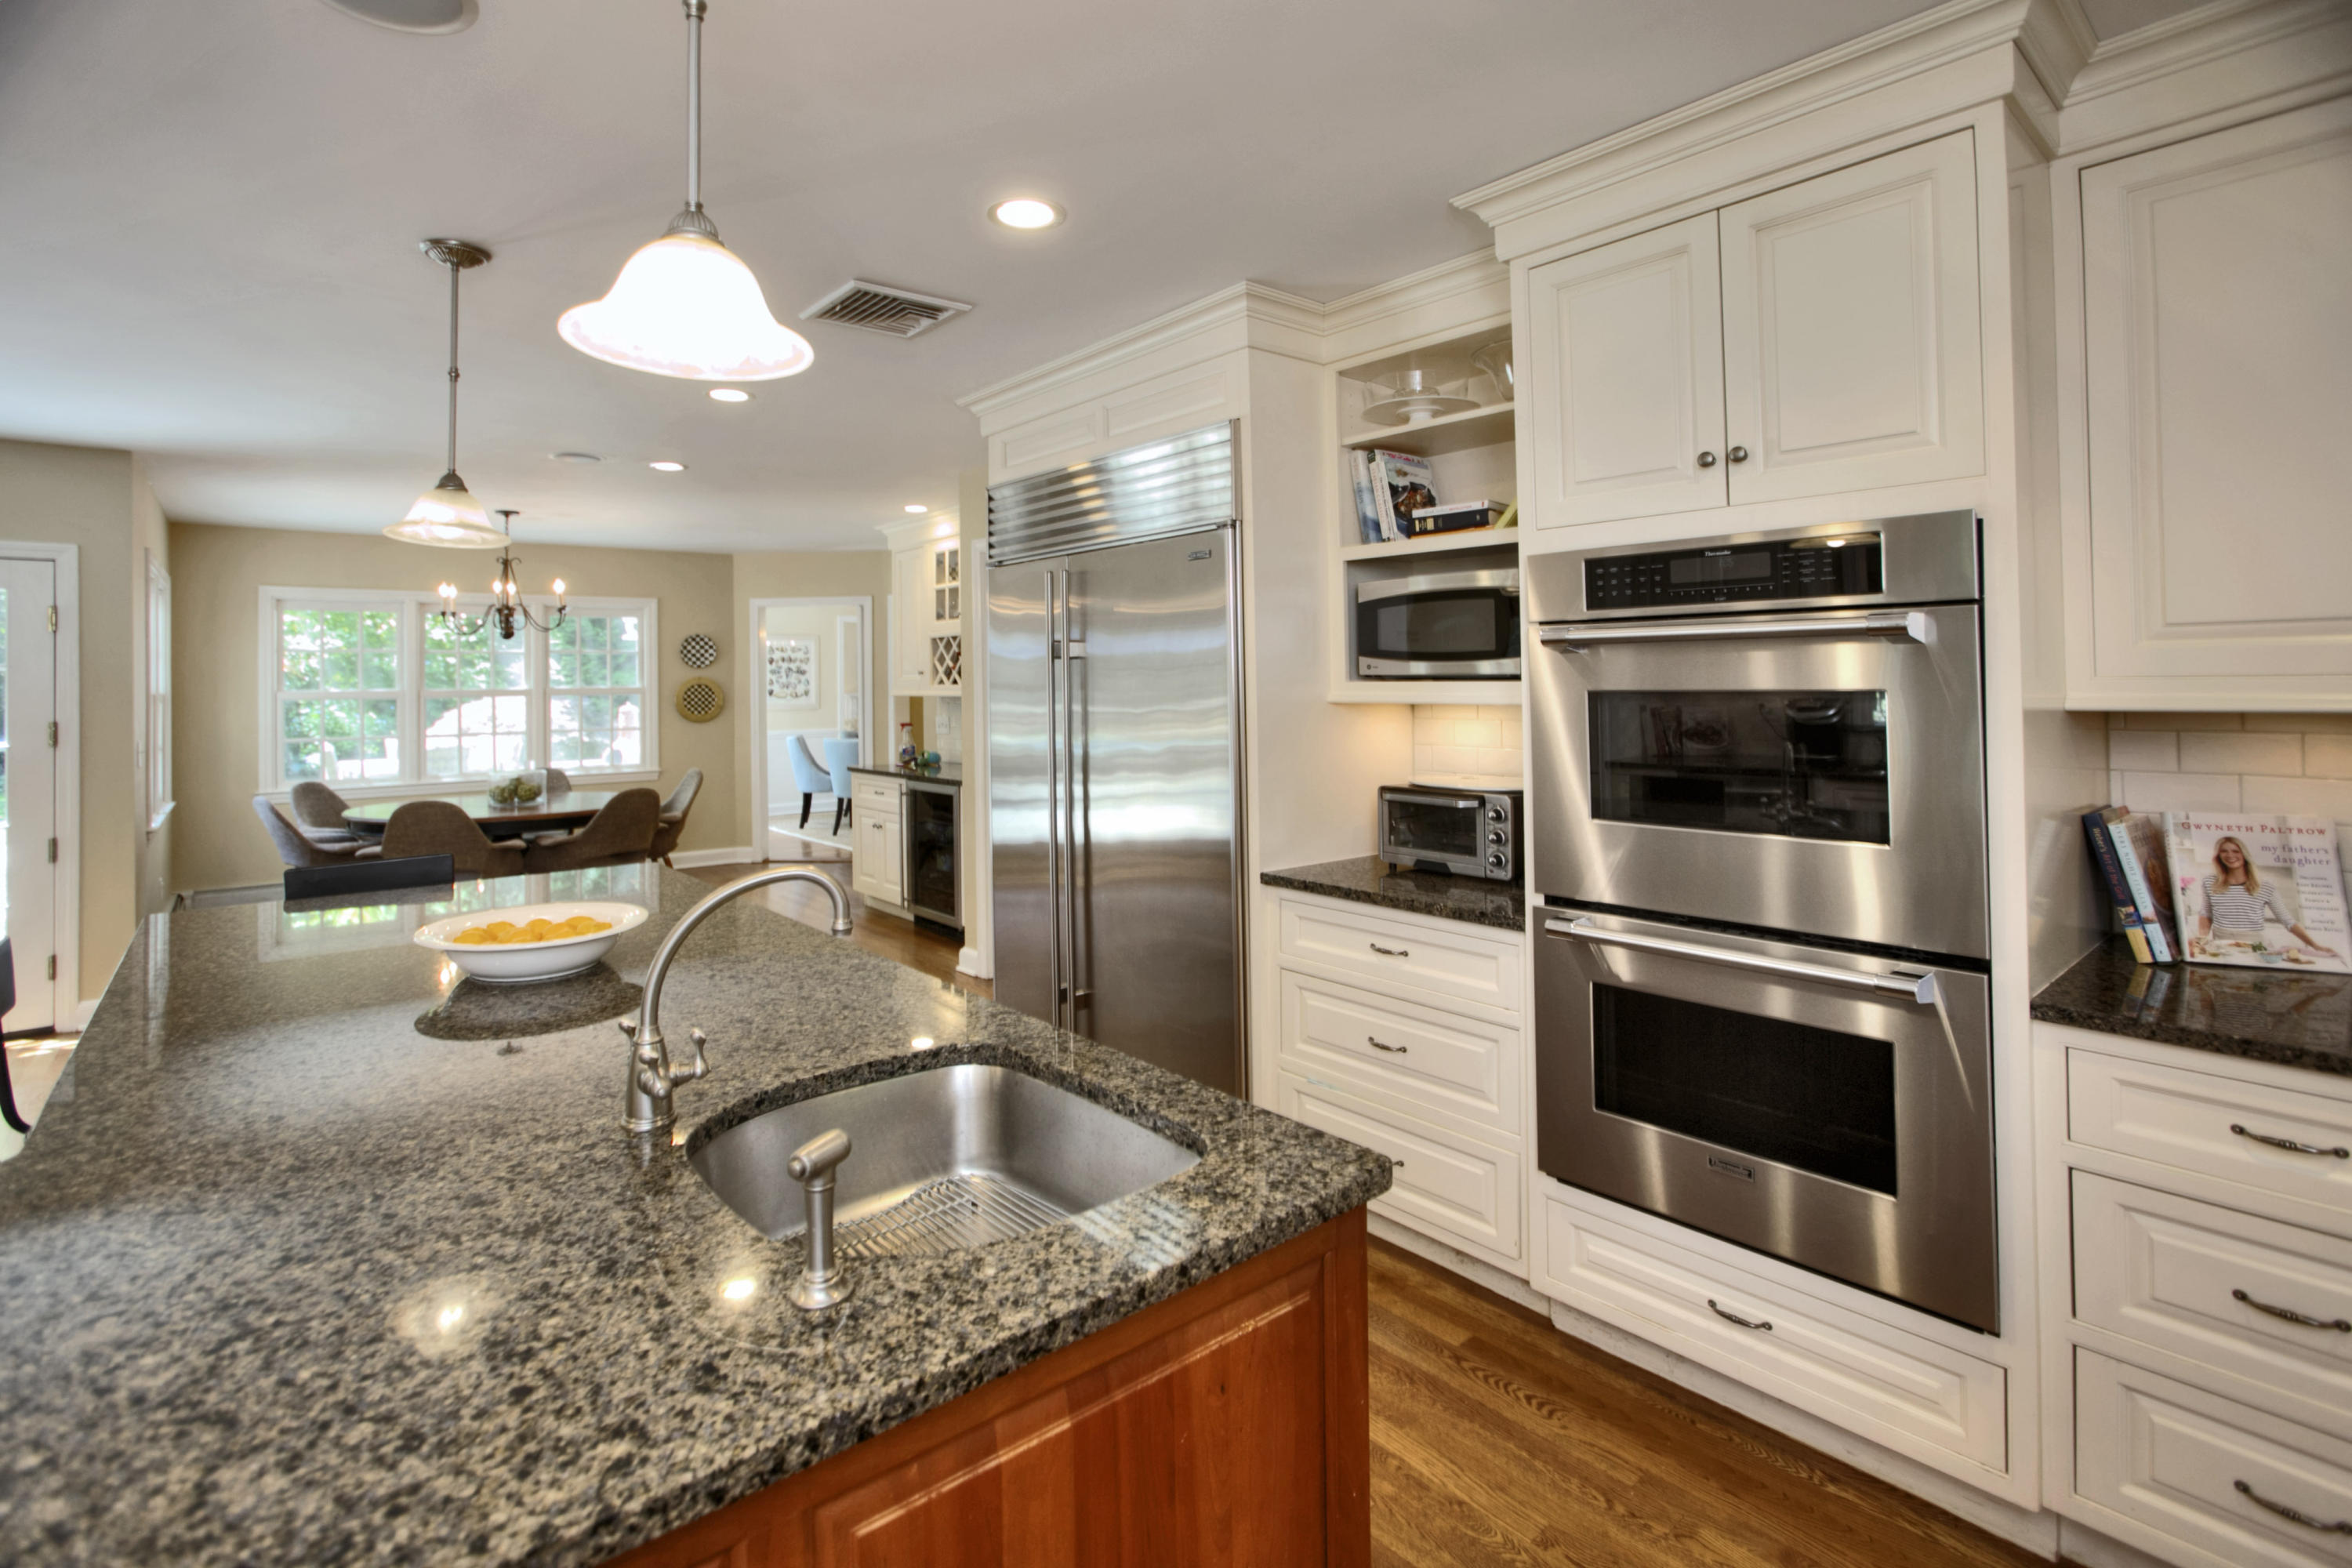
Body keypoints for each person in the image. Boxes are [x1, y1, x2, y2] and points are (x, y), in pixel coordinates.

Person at [2195, 835, 2340, 959]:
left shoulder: (2265, 887)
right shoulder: (2209, 882)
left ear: (2244, 855)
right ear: (2218, 856)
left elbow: (2288, 921)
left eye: (2235, 851)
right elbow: (2206, 914)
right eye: (2224, 851)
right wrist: (2202, 940)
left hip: (2255, 944)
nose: (2230, 855)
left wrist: (2315, 945)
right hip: (2221, 943)